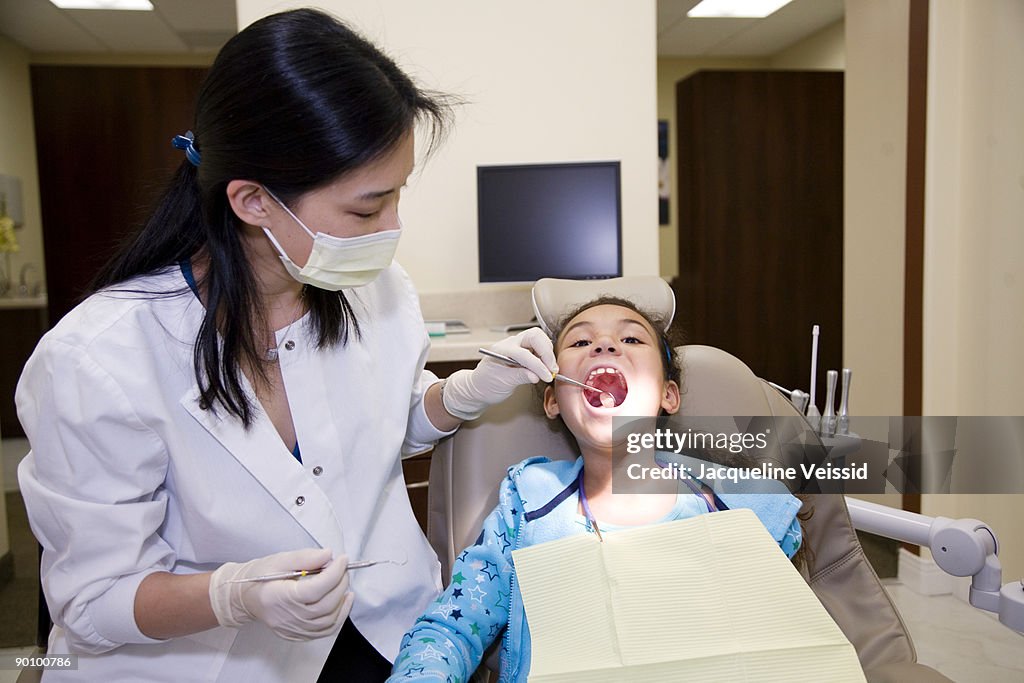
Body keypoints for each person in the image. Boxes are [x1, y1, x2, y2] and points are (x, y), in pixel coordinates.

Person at [15, 9, 556, 682]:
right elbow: (92, 600)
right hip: (211, 659)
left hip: (382, 631)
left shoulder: (379, 293)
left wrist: (458, 395)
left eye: (398, 196)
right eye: (366, 208)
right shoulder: (98, 360)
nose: (393, 228)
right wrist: (232, 593)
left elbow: (370, 435)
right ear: (251, 201)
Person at [387, 297, 805, 682]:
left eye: (630, 338)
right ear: (553, 401)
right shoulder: (526, 510)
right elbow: (450, 631)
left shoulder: (731, 511)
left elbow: (782, 643)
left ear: (668, 395)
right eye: (582, 340)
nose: (604, 346)